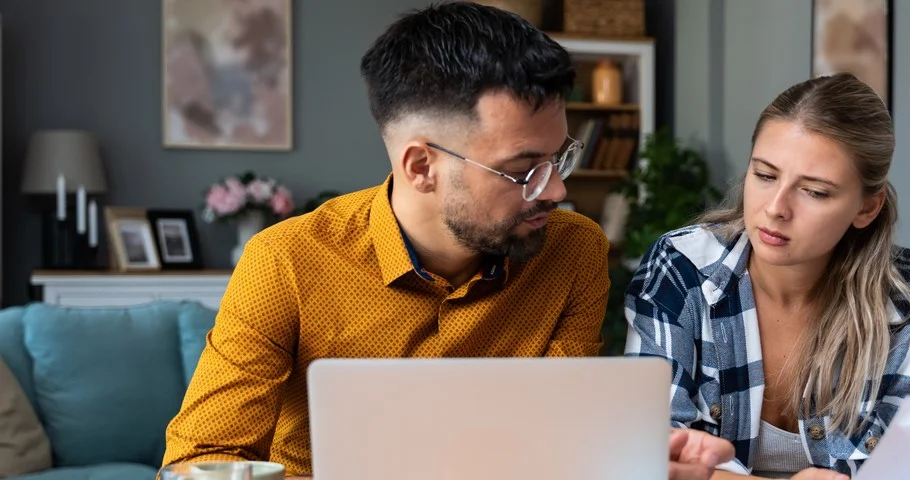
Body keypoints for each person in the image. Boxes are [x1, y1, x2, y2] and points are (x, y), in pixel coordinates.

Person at [162, 3, 610, 476]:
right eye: (524, 171)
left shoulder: (574, 250)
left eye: (558, 159)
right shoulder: (285, 262)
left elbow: (563, 437)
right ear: (421, 167)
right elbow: (197, 465)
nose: (557, 191)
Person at [624, 73, 910, 480]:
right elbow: (649, 459)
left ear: (866, 208)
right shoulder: (681, 269)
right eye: (764, 174)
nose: (776, 207)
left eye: (814, 191)